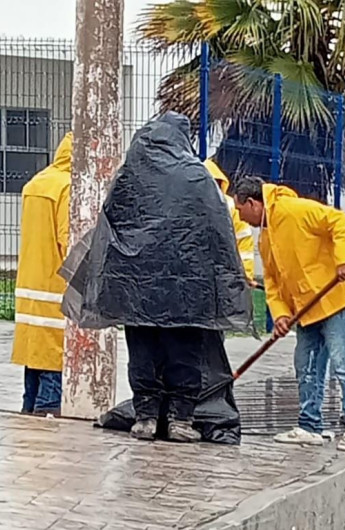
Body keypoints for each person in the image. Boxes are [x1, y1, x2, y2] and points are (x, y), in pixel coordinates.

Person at [59, 113, 251, 443]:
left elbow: (110, 226)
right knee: (184, 353)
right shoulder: (197, 176)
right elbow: (217, 232)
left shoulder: (129, 176)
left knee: (143, 350)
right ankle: (180, 418)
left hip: (137, 289)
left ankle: (146, 417)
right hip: (187, 289)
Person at [233, 176, 345, 452]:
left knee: (344, 362)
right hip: (305, 309)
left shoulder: (293, 210)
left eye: (241, 210)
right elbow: (273, 281)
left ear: (252, 203)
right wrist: (282, 314)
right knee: (306, 366)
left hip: (334, 300)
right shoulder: (266, 237)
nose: (241, 217)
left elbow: (340, 222)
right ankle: (309, 425)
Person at [11, 132, 73, 416]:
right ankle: (47, 413)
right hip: (55, 286)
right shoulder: (68, 187)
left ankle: (29, 409)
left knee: (35, 355)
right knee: (53, 358)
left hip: (30, 284)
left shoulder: (36, 183)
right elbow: (68, 239)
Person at [204, 159, 257, 286]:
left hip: (224, 277)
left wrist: (245, 276)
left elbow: (243, 243)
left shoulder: (232, 208)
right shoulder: (187, 207)